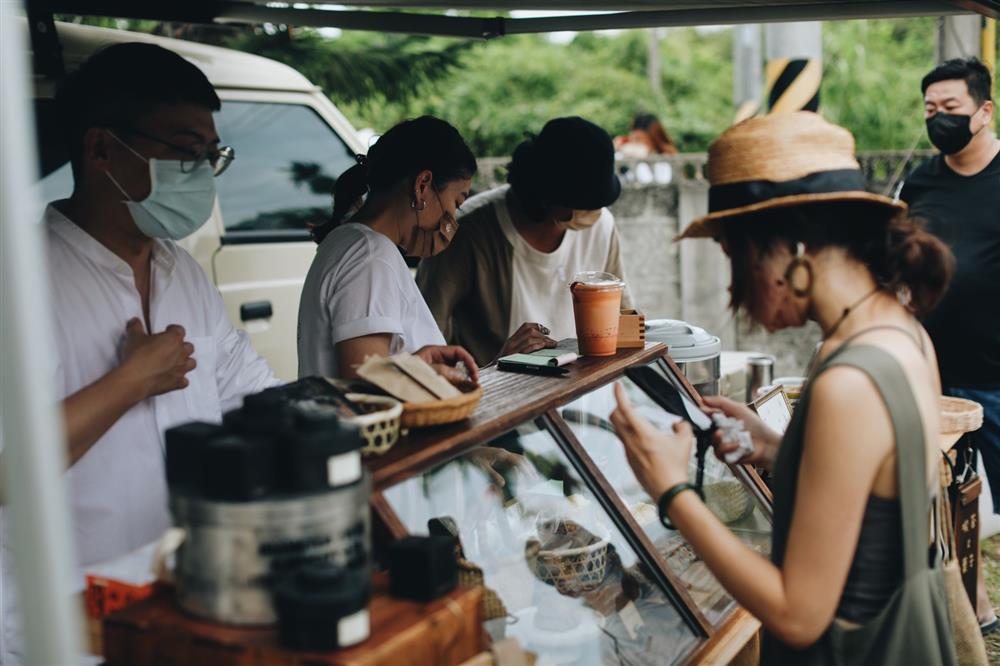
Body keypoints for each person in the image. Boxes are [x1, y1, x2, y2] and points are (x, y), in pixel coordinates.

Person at [612, 112, 959, 662]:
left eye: (733, 254)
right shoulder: (902, 330)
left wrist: (671, 490)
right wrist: (775, 447)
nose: (732, 284)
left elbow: (798, 614)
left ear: (792, 251)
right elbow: (876, 502)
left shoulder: (847, 382)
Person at [1, 43, 282, 664]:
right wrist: (129, 382)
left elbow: (254, 392)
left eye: (211, 155)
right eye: (186, 150)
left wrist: (381, 388)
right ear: (102, 149)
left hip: (182, 600)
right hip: (61, 626)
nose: (202, 172)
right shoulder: (18, 283)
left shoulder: (182, 271)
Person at [900, 57, 1000, 633]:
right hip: (933, 373)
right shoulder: (921, 183)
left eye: (951, 108)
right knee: (946, 498)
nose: (938, 118)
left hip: (998, 375)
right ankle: (975, 606)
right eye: (930, 109)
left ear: (984, 111)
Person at [416, 116, 632, 367]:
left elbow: (624, 316)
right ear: (548, 195)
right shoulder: (470, 234)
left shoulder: (602, 226)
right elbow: (426, 332)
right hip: (496, 388)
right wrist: (491, 368)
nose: (594, 213)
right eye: (583, 204)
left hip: (591, 384)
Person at [297, 116, 480, 383]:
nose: (453, 218)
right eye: (457, 202)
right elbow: (367, 382)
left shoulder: (349, 243)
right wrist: (431, 375)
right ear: (422, 185)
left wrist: (418, 367)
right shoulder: (370, 256)